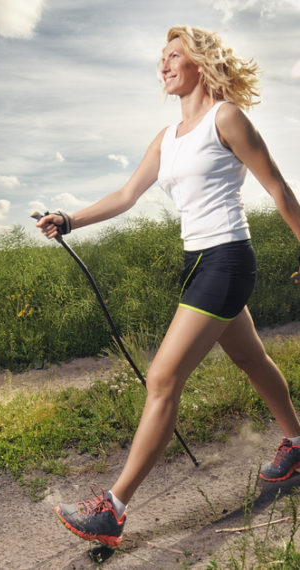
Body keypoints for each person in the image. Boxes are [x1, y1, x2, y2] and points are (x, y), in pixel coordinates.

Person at [35, 25, 300, 547]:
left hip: (227, 259)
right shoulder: (167, 136)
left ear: (199, 63)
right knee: (250, 359)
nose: (163, 66)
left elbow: (278, 188)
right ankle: (297, 441)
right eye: (161, 58)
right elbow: (127, 193)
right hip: (196, 262)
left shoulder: (226, 118)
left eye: (174, 56)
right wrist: (70, 218)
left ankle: (111, 509)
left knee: (161, 379)